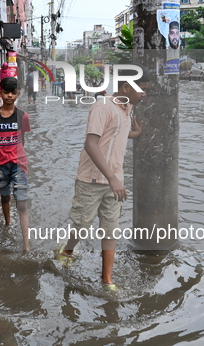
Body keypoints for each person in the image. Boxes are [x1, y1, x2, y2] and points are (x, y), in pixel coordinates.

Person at [56, 65, 149, 290]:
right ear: (126, 87)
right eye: (142, 90)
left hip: (114, 181)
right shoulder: (102, 106)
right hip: (92, 179)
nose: (144, 94)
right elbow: (91, 143)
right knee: (82, 224)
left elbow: (118, 134)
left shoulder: (126, 108)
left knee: (110, 229)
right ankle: (67, 250)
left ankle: (107, 279)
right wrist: (112, 178)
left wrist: (136, 133)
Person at [0, 77, 32, 251]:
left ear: (18, 94)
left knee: (22, 202)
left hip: (18, 164)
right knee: (5, 196)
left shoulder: (22, 115)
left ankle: (26, 244)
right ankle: (7, 223)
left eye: (13, 92)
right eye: (6, 92)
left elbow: (22, 139)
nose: (10, 95)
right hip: (0, 165)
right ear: (0, 93)